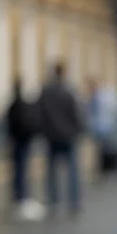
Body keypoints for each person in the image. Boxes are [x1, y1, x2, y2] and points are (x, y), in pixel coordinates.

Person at [36, 62, 84, 216]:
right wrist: (77, 130)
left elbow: (40, 113)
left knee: (51, 171)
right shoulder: (69, 91)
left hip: (51, 136)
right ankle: (74, 202)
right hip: (68, 136)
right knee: (72, 171)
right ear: (64, 73)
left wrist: (46, 131)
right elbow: (76, 113)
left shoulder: (46, 91)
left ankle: (54, 202)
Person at [5, 78, 44, 221]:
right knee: (22, 170)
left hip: (17, 141)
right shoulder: (23, 105)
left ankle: (19, 197)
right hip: (23, 142)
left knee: (18, 170)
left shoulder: (13, 104)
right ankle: (22, 198)